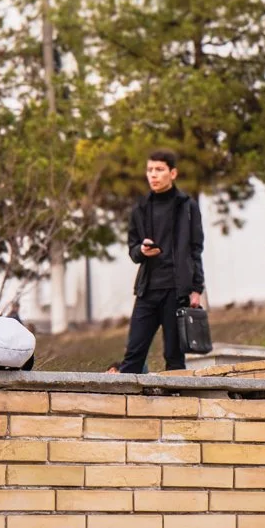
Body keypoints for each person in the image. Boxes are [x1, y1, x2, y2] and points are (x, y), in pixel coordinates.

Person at [111, 150, 206, 373]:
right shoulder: (140, 207)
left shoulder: (188, 206)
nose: (153, 175)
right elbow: (133, 251)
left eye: (159, 170)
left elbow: (196, 249)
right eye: (150, 170)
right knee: (133, 353)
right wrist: (142, 250)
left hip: (177, 290)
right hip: (147, 290)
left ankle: (179, 406)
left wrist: (196, 288)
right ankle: (126, 404)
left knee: (174, 356)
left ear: (172, 173)